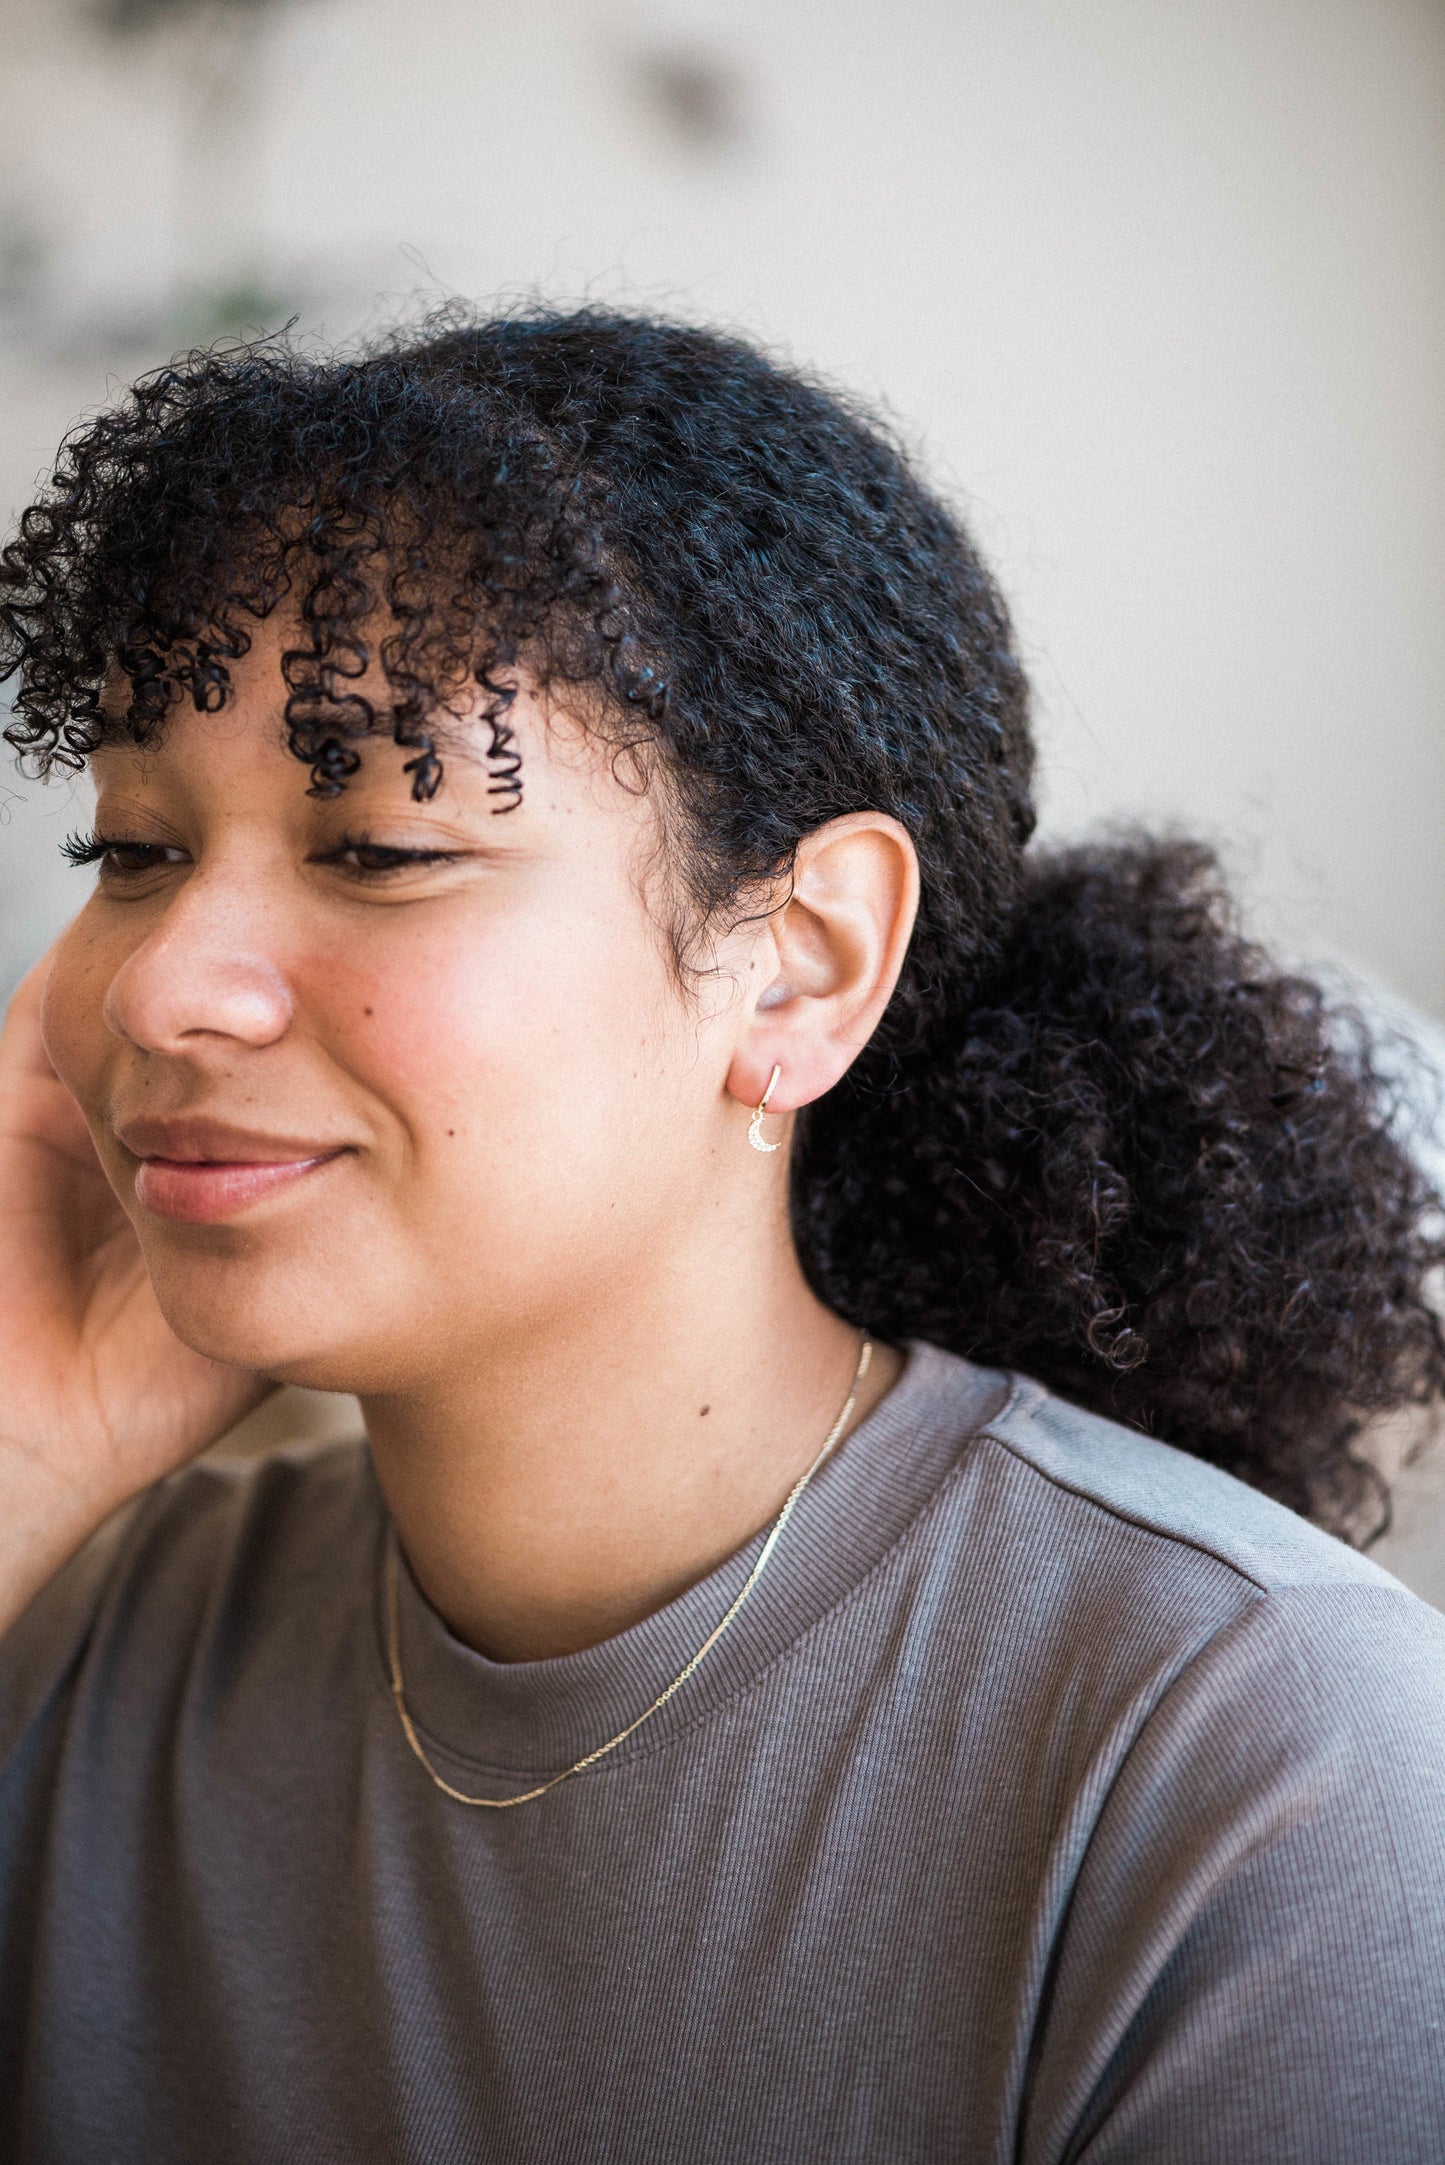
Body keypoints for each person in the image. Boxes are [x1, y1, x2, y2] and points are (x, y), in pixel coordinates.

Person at [0, 309, 1443, 2165]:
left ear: (798, 961)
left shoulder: (1262, 1753)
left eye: (374, 847)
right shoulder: (88, 1620)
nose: (165, 985)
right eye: (132, 851)